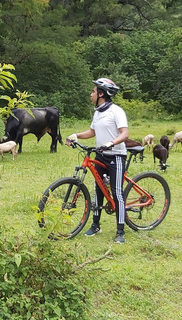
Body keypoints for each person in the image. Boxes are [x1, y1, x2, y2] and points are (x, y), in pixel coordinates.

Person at [66, 78, 129, 243]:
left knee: (116, 192)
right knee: (98, 189)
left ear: (101, 94)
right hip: (101, 154)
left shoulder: (116, 111)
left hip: (116, 155)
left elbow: (124, 134)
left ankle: (120, 231)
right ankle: (95, 225)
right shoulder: (98, 112)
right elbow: (92, 132)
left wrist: (111, 143)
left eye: (93, 91)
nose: (91, 94)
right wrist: (76, 135)